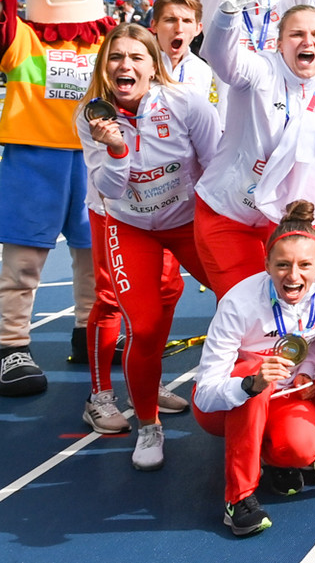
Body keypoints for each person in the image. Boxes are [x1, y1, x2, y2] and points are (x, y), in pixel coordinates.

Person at [75, 24, 221, 456]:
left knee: (239, 295)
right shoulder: (90, 115)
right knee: (146, 325)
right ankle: (148, 427)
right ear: (105, 66)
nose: (126, 65)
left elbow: (214, 165)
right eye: (117, 57)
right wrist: (118, 150)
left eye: (137, 57)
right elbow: (112, 190)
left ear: (153, 67)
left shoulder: (185, 102)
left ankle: (244, 392)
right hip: (130, 225)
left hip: (187, 220)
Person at [192, 199, 315, 536]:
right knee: (253, 372)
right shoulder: (238, 303)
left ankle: (270, 457)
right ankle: (239, 498)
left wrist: (309, 370)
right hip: (228, 401)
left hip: (286, 394)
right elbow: (204, 396)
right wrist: (249, 385)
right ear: (266, 264)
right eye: (283, 265)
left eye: (305, 264)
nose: (293, 276)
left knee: (301, 449)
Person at [195, 0, 315, 298]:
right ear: (279, 44)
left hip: (291, 217)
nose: (307, 41)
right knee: (247, 308)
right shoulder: (260, 71)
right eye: (296, 34)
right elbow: (221, 59)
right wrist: (229, 10)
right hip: (230, 213)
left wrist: (297, 164)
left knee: (301, 308)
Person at [150, 0, 218, 107]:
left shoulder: (202, 70)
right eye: (170, 20)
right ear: (154, 26)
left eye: (187, 21)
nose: (179, 28)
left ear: (198, 29)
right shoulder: (136, 65)